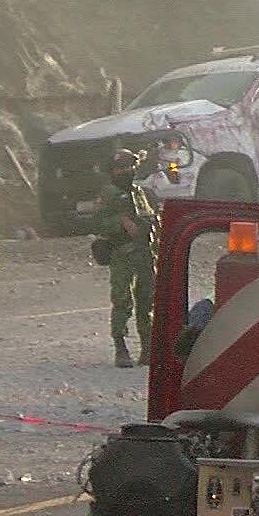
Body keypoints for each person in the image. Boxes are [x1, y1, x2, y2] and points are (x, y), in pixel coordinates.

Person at [96, 148, 157, 367]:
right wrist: (120, 222)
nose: (126, 172)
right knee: (122, 301)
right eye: (120, 168)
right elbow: (98, 223)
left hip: (145, 254)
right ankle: (121, 347)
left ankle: (148, 348)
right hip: (122, 254)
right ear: (112, 172)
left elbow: (150, 218)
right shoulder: (109, 194)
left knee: (147, 301)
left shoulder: (140, 192)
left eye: (129, 167)